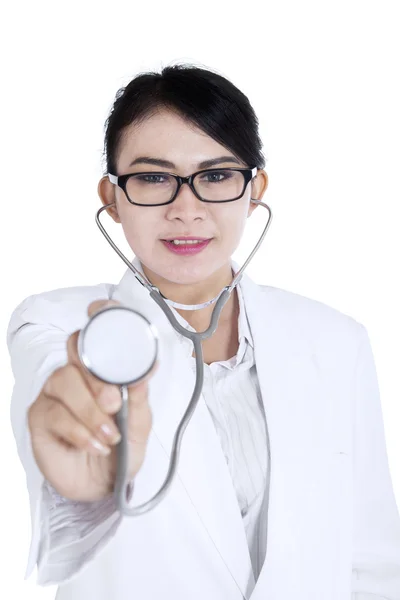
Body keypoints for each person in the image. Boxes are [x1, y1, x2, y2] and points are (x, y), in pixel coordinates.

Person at [6, 63, 400, 600]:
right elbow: (55, 418)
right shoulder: (60, 325)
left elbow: (370, 562)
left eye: (215, 176)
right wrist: (80, 485)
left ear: (254, 190)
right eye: (153, 178)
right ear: (113, 197)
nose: (186, 209)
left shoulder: (337, 342)